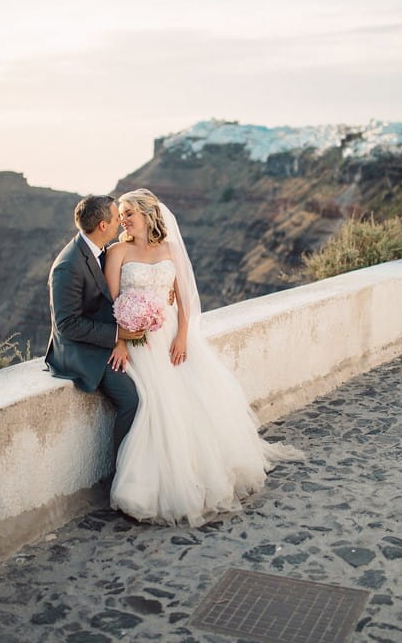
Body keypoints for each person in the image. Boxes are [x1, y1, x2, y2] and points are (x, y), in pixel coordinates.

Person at [104, 188, 304, 527]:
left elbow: (183, 300)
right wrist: (120, 341)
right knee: (155, 403)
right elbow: (110, 302)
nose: (123, 219)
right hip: (137, 340)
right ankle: (148, 486)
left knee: (191, 400)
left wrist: (182, 335)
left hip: (169, 336)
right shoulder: (117, 251)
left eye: (129, 213)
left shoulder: (169, 249)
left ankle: (200, 474)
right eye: (121, 214)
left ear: (148, 215)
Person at [45, 195, 144, 461]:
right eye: (116, 219)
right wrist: (117, 336)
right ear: (102, 225)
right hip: (82, 350)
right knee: (131, 399)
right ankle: (121, 472)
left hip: (104, 338)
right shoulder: (68, 266)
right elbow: (67, 326)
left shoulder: (100, 251)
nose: (120, 223)